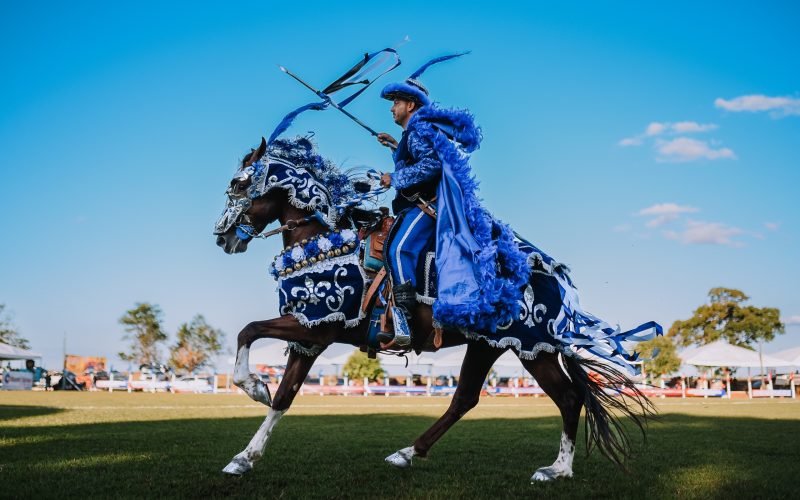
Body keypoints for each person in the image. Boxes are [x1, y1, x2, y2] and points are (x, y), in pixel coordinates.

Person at [375, 54, 530, 346]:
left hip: (424, 207)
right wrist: (396, 147)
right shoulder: (415, 132)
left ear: (410, 105)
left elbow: (430, 165)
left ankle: (404, 320)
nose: (392, 108)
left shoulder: (419, 128)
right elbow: (418, 160)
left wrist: (392, 178)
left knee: (398, 250)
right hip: (416, 204)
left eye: (396, 102)